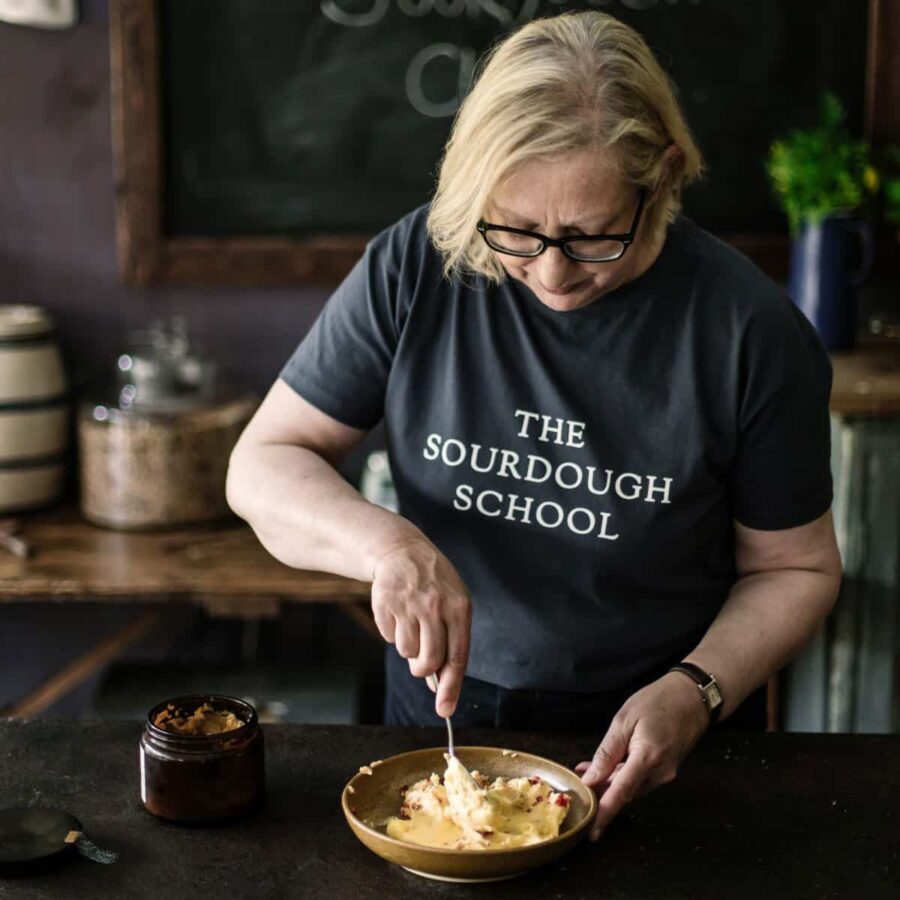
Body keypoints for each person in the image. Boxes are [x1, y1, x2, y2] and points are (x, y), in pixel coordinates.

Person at [226, 11, 842, 841]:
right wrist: (388, 547)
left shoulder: (749, 332)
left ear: (659, 178)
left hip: (655, 742)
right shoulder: (420, 264)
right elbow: (264, 462)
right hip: (437, 725)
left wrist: (697, 690)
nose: (550, 273)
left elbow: (797, 569)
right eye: (514, 230)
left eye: (592, 238)